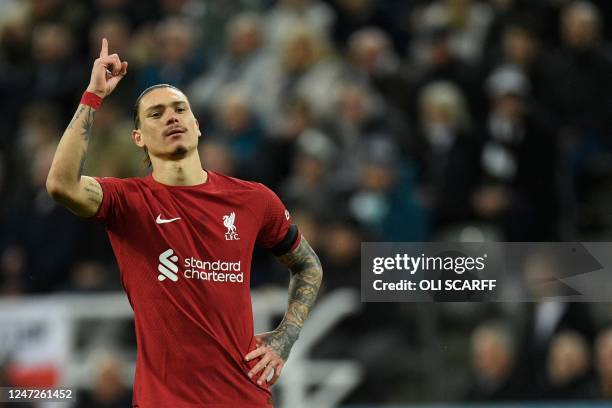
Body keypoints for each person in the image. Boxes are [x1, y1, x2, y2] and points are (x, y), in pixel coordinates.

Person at [45, 38, 323, 407]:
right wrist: (93, 95)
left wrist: (285, 339)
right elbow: (61, 185)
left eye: (179, 109)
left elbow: (308, 265)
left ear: (197, 125)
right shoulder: (128, 201)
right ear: (138, 138)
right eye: (156, 114)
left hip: (243, 399)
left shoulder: (254, 199)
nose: (172, 116)